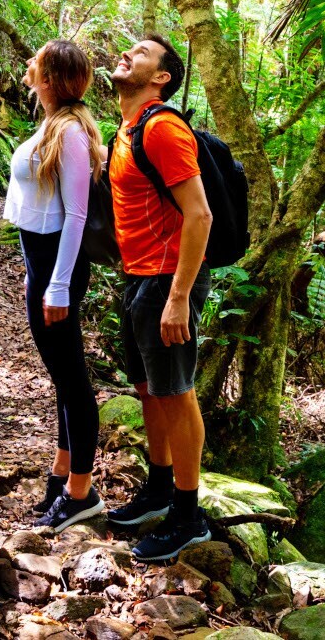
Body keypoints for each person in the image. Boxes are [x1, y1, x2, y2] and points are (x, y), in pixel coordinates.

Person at [103, 36, 216, 562]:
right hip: (139, 278)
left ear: (161, 77)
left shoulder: (163, 128)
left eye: (142, 52)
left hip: (169, 280)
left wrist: (179, 297)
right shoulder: (126, 130)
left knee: (176, 392)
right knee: (149, 389)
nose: (128, 53)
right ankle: (159, 488)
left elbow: (200, 214)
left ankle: (188, 517)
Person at [3, 39, 109, 531]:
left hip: (56, 269)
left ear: (49, 78)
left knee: (72, 380)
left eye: (38, 60)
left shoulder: (68, 132)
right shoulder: (54, 123)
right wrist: (39, 275)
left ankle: (81, 493)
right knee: (62, 377)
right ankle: (61, 474)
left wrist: (58, 285)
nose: (30, 62)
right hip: (43, 265)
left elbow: (76, 214)